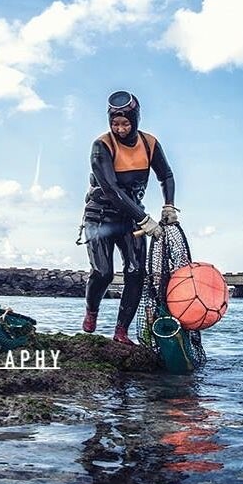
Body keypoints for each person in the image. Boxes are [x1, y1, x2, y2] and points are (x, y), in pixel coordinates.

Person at [79, 90, 178, 344]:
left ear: (136, 120)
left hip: (130, 217)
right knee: (103, 273)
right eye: (115, 124)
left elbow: (165, 175)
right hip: (100, 216)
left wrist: (168, 205)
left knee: (136, 272)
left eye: (125, 123)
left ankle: (121, 332)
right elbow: (111, 190)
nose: (120, 129)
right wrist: (145, 220)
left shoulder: (150, 144)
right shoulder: (101, 146)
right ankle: (92, 311)